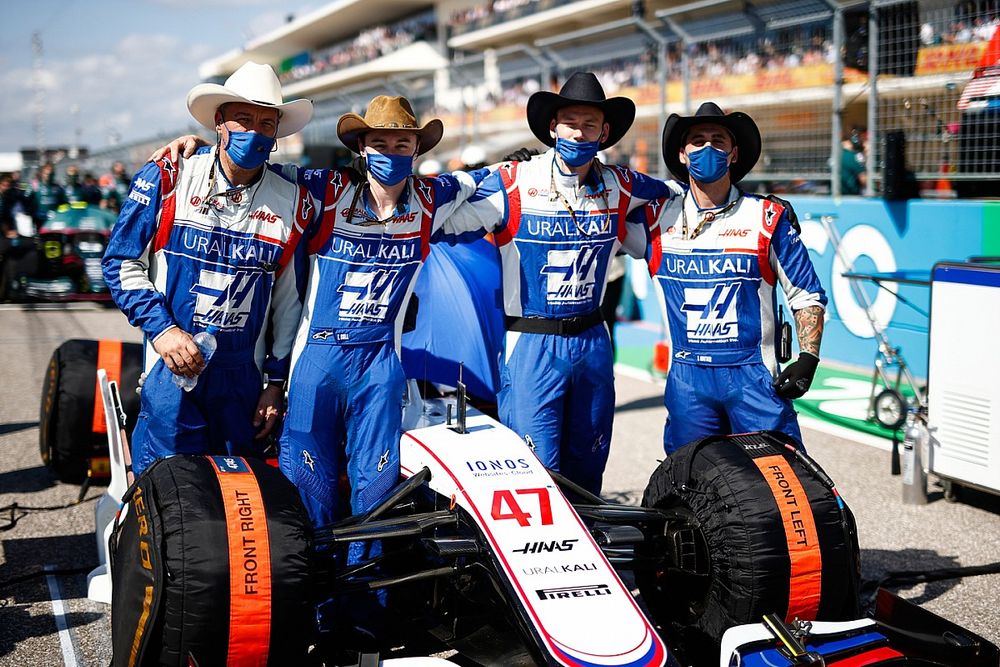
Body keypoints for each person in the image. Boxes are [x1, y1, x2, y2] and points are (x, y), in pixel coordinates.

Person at [444, 72, 673, 494]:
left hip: (593, 341)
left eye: (590, 125)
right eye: (570, 122)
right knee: (535, 475)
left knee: (588, 470)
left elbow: (678, 194)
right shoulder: (513, 179)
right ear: (553, 127)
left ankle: (591, 554)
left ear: (604, 132)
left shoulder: (622, 185)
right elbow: (440, 218)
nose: (579, 132)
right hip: (532, 344)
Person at [102, 61, 317, 476]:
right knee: (168, 492)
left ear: (277, 133)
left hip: (243, 380)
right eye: (243, 119)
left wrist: (275, 382)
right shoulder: (171, 174)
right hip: (172, 368)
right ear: (219, 122)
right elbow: (120, 260)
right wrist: (162, 331)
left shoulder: (294, 198)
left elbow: (289, 303)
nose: (254, 131)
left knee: (238, 499)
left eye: (266, 123)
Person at [634, 101, 827, 454]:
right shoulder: (654, 219)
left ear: (734, 153)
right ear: (681, 154)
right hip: (687, 380)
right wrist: (532, 170)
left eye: (718, 141)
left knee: (778, 487)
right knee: (689, 490)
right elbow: (591, 215)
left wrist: (808, 358)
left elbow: (806, 295)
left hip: (754, 378)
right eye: (697, 140)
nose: (708, 148)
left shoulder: (768, 217)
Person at [839, 129, 866, 195]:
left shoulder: (834, 155)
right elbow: (863, 179)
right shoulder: (853, 156)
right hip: (850, 196)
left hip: (834, 195)